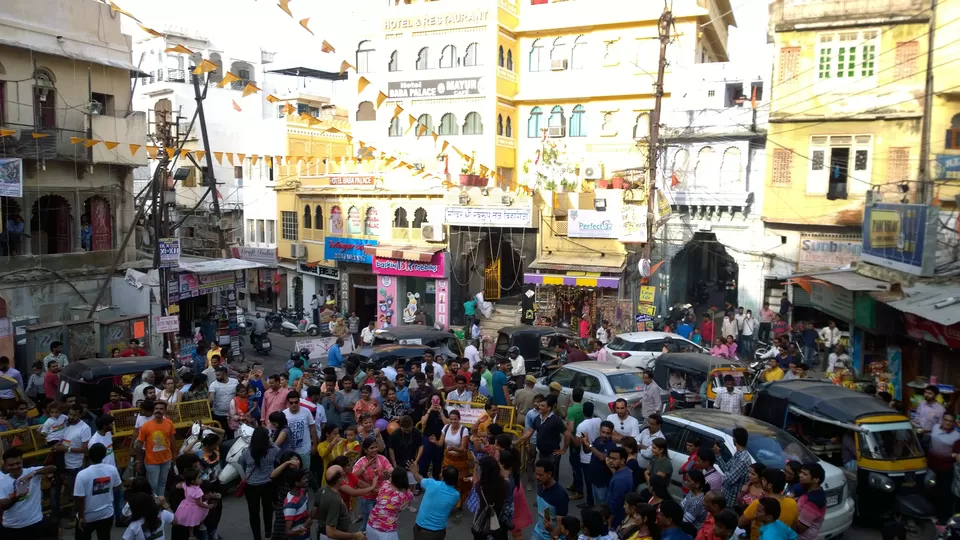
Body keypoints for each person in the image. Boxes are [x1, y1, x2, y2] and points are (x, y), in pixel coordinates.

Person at [0, 447, 57, 539]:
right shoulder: (1, 481)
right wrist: (16, 496)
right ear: (5, 466)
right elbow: (3, 505)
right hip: (12, 528)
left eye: (18, 463)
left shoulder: (31, 472)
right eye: (11, 465)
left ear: (22, 462)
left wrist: (33, 473)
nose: (15, 467)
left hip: (36, 523)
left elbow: (53, 468)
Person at [240, 427, 280, 540]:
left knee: (253, 512)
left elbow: (241, 463)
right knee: (267, 509)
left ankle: (257, 536)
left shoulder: (247, 451)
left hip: (251, 485)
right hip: (268, 484)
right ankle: (268, 531)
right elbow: (278, 450)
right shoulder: (272, 450)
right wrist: (270, 441)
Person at [740, 469, 798, 540]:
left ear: (770, 485)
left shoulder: (759, 504)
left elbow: (740, 523)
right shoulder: (792, 503)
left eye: (764, 480)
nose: (761, 481)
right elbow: (794, 527)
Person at [314, 464, 365, 540]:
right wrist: (354, 535)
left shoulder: (322, 489)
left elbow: (313, 512)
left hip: (322, 532)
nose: (345, 477)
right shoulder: (335, 500)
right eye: (343, 475)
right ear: (339, 480)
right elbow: (331, 532)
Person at [532, 459, 569, 540]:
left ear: (549, 474)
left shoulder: (560, 495)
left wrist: (552, 534)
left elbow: (560, 525)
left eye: (540, 475)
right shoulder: (541, 485)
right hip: (538, 532)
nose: (537, 477)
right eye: (536, 474)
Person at [714, 428, 751, 508]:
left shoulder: (743, 459)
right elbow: (726, 469)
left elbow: (729, 479)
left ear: (734, 439)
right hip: (726, 498)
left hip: (732, 503)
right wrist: (717, 454)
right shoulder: (738, 454)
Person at [174, 468, 215, 539]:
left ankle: (191, 536)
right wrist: (208, 506)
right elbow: (199, 503)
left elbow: (177, 486)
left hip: (185, 504)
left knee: (191, 522)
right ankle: (201, 526)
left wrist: (183, 483)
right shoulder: (198, 491)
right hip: (194, 507)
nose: (201, 479)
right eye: (199, 478)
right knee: (202, 513)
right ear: (193, 481)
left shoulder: (186, 485)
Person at [284, 391, 319, 468]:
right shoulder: (284, 414)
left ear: (299, 401)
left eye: (296, 402)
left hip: (304, 450)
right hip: (290, 451)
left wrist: (315, 445)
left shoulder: (306, 411)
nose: (294, 405)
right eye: (291, 403)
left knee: (305, 473)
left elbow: (312, 428)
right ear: (288, 402)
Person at [794, 463, 826, 540]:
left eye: (804, 474)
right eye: (801, 472)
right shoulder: (809, 490)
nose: (800, 475)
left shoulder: (813, 502)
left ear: (815, 480)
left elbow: (800, 528)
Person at [606, 446, 634, 529]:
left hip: (616, 518)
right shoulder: (626, 471)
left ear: (622, 461)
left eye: (614, 459)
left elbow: (616, 502)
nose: (610, 461)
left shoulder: (620, 480)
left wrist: (609, 520)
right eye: (610, 458)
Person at [283, 468, 314, 540]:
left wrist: (309, 519)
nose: (306, 480)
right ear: (297, 483)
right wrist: (298, 532)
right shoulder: (290, 504)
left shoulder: (302, 492)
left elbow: (306, 512)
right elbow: (288, 531)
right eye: (303, 479)